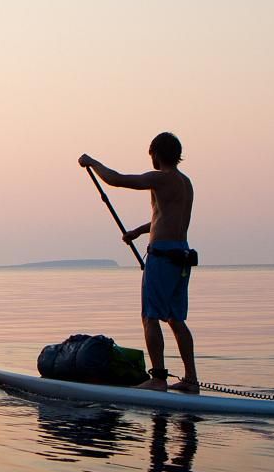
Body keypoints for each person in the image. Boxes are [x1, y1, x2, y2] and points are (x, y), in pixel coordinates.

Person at [80, 133, 198, 392]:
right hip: (182, 255)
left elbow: (117, 180)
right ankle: (191, 380)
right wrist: (137, 232)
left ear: (156, 154)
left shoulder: (160, 178)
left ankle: (158, 379)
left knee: (150, 317)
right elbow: (166, 217)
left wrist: (92, 162)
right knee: (176, 319)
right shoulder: (185, 183)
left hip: (163, 257)